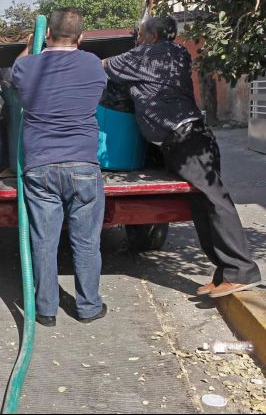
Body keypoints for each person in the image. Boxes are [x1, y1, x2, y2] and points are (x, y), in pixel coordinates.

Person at [103, 16, 262, 298]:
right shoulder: (178, 52)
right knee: (202, 206)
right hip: (192, 136)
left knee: (215, 201)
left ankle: (242, 270)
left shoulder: (144, 55)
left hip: (185, 139)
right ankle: (225, 272)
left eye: (140, 35)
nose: (138, 40)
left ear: (151, 37)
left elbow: (102, 66)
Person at [11, 8, 108, 327]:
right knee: (86, 241)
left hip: (40, 167)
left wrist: (30, 45)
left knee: (43, 241)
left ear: (47, 35)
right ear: (81, 38)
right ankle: (89, 307)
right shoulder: (92, 64)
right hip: (83, 165)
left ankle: (46, 310)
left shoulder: (27, 65)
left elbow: (16, 74)